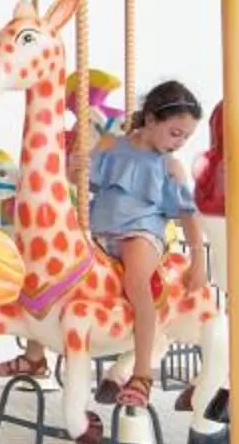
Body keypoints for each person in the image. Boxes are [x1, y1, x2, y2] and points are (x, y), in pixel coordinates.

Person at [86, 79, 208, 410]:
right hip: (100, 232)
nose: (179, 143)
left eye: (186, 137)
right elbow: (83, 179)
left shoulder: (170, 166)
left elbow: (187, 215)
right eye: (175, 133)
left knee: (137, 283)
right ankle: (35, 354)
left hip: (141, 232)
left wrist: (198, 260)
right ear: (151, 120)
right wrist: (77, 158)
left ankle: (141, 375)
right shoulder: (112, 146)